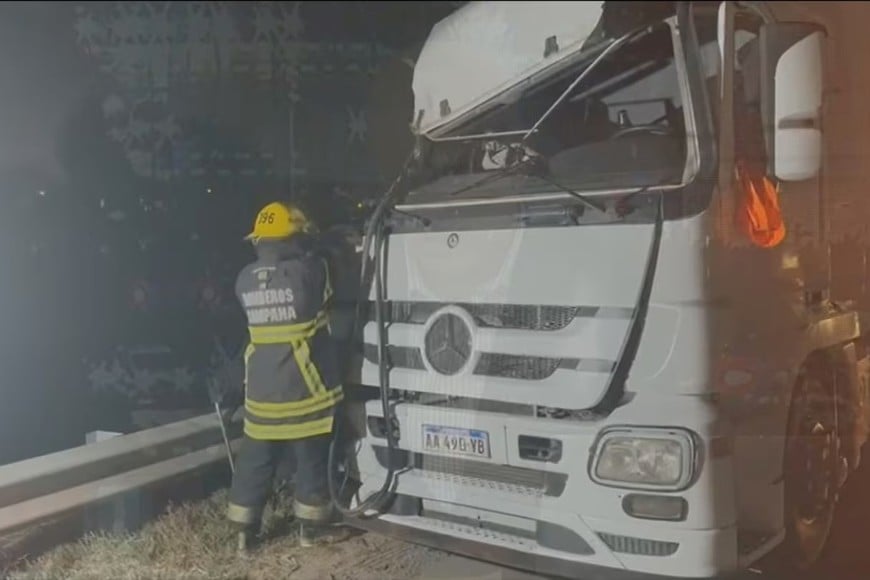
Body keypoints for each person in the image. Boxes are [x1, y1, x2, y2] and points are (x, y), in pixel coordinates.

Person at [225, 201, 344, 552]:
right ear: (295, 240)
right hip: (304, 393)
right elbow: (329, 273)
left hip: (261, 395)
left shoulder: (243, 279)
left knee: (254, 466)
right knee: (311, 463)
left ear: (259, 241)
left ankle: (244, 536)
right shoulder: (310, 272)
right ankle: (311, 531)